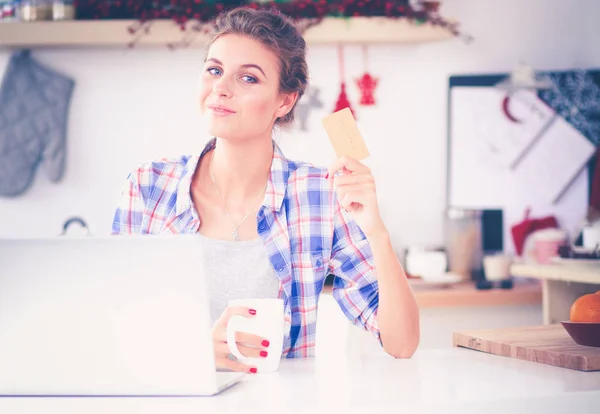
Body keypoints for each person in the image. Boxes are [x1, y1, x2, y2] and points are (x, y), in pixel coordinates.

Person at [112, 6, 419, 373]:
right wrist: (189, 349)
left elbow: (402, 343)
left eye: (248, 79)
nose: (221, 89)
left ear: (284, 101)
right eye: (214, 70)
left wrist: (376, 230)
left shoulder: (320, 195)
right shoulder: (148, 188)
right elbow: (117, 330)